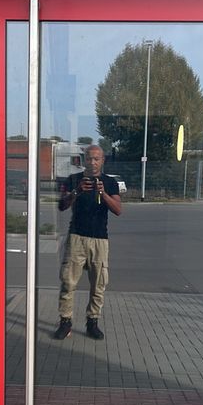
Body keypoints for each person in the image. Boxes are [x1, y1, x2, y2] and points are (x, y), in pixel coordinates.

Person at [54, 145, 121, 341]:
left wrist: (104, 194)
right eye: (90, 159)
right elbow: (61, 206)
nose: (93, 162)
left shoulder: (109, 183)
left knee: (98, 284)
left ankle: (92, 322)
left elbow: (118, 210)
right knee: (68, 281)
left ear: (103, 161)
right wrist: (77, 191)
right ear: (85, 160)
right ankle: (65, 322)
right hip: (77, 237)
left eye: (97, 159)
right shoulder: (74, 180)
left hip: (100, 239)